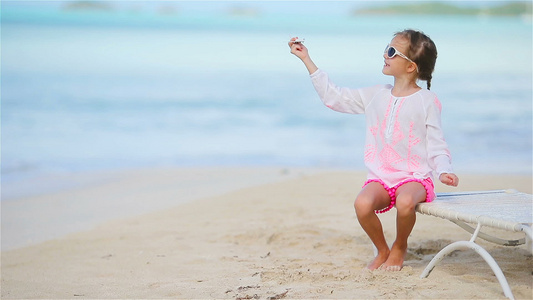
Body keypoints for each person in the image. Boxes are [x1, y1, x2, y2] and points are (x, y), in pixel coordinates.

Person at [288, 29, 459, 271]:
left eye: (391, 52)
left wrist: (443, 170)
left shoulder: (427, 101)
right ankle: (383, 249)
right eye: (386, 49)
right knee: (362, 204)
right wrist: (307, 59)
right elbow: (334, 97)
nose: (385, 55)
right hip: (382, 177)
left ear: (410, 67)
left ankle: (400, 246)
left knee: (405, 201)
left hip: (415, 177)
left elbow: (436, 143)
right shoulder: (376, 95)